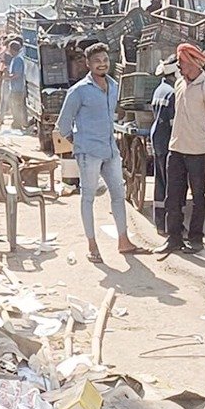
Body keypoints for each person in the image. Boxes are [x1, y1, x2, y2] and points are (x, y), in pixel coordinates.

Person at [56, 42, 150, 264]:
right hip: (89, 152)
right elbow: (63, 125)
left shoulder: (114, 86)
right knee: (88, 198)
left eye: (105, 60)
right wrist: (78, 141)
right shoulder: (78, 91)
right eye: (97, 61)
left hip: (110, 150)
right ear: (88, 64)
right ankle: (92, 245)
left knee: (118, 195)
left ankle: (124, 241)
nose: (102, 64)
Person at [162, 44, 205, 254]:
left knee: (198, 197)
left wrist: (201, 139)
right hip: (176, 147)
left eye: (184, 63)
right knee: (173, 196)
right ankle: (174, 237)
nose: (179, 67)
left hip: (197, 151)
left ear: (195, 64)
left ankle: (196, 238)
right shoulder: (179, 84)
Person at [151, 55, 179, 234]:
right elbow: (175, 121)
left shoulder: (159, 89)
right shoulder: (173, 93)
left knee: (160, 182)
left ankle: (160, 223)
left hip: (158, 139)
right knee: (172, 184)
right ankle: (171, 225)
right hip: (168, 141)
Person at [5, 41, 27, 129]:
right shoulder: (16, 58)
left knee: (16, 106)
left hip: (17, 88)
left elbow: (17, 74)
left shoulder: (18, 59)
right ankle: (17, 122)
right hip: (15, 87)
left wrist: (8, 77)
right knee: (15, 106)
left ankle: (18, 123)